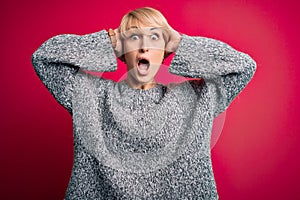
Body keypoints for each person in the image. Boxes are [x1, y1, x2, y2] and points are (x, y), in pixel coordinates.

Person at [32, 7, 256, 200]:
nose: (144, 46)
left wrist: (181, 43)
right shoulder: (91, 96)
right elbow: (44, 58)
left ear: (165, 50)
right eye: (134, 37)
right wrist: (105, 43)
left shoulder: (195, 99)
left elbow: (244, 66)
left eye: (155, 37)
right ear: (122, 51)